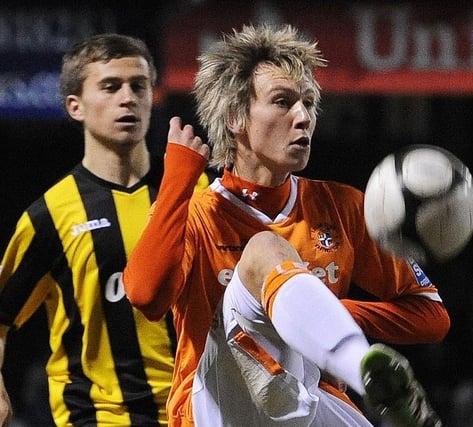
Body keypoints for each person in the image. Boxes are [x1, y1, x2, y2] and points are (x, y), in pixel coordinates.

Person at [123, 24, 450, 427]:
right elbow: (144, 295)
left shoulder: (342, 206)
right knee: (265, 250)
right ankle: (360, 367)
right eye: (283, 102)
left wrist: (333, 312)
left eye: (309, 103)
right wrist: (177, 178)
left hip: (311, 399)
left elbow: (432, 315)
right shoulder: (199, 212)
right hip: (218, 408)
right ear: (235, 117)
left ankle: (370, 389)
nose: (304, 117)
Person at [0, 33, 212, 426]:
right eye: (110, 87)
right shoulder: (51, 215)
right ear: (75, 106)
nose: (127, 98)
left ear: (154, 96)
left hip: (196, 413)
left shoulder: (195, 192)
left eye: (138, 85)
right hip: (98, 418)